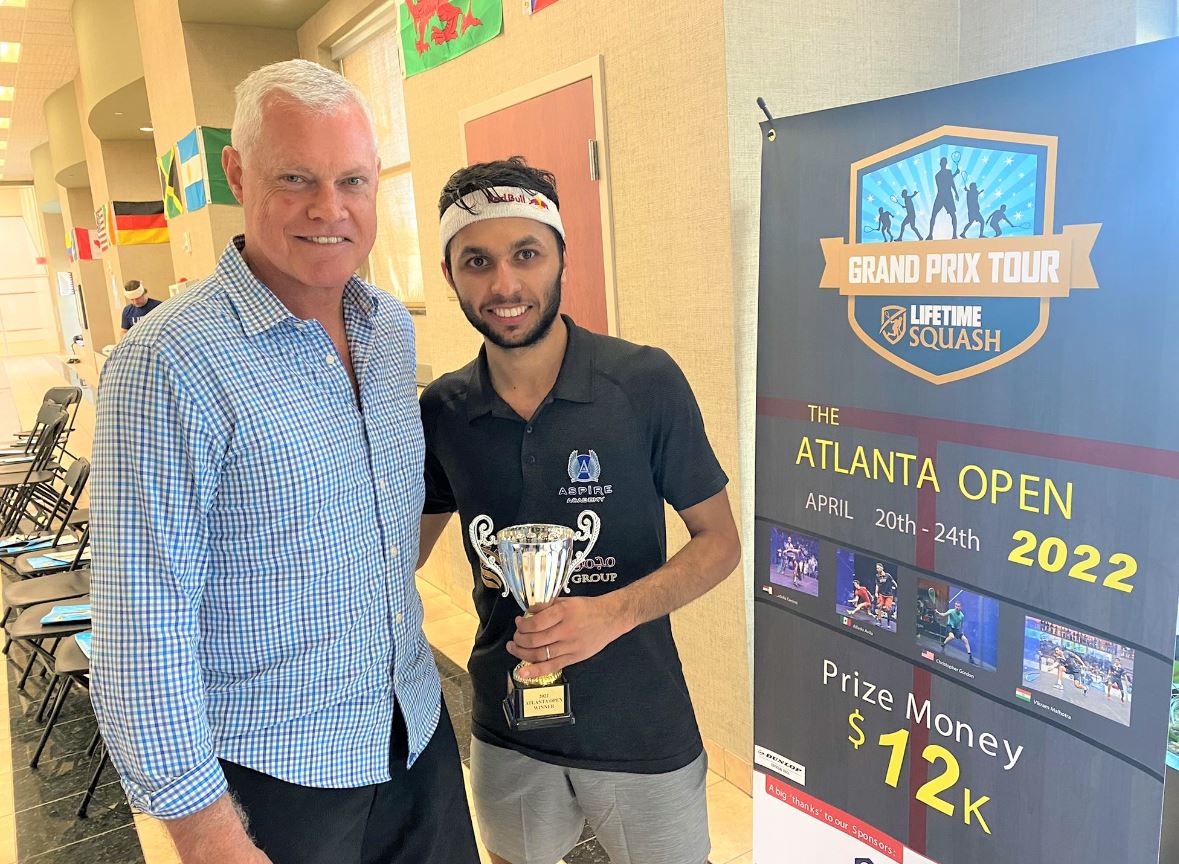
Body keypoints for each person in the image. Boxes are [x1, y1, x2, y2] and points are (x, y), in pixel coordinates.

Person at [90, 59, 477, 864]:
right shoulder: (168, 364)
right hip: (277, 778)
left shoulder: (386, 333)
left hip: (413, 732)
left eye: (353, 181)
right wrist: (206, 835)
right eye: (296, 177)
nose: (329, 209)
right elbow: (139, 631)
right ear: (237, 173)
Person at [417, 157, 741, 864]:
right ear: (449, 275)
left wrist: (611, 614)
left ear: (562, 256)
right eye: (477, 261)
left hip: (640, 723)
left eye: (525, 254)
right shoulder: (443, 410)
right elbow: (393, 552)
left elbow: (719, 542)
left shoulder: (643, 382)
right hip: (508, 723)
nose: (504, 285)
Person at [925, 156, 960, 239]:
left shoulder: (945, 173)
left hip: (945, 195)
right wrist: (955, 174)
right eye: (943, 162)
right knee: (934, 215)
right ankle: (930, 234)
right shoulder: (938, 175)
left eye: (944, 162)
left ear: (945, 163)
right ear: (941, 164)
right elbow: (949, 182)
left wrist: (956, 193)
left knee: (952, 215)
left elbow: (950, 182)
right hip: (943, 196)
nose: (943, 164)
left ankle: (954, 234)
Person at [936, 599, 975, 664]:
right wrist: (938, 612)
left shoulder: (962, 616)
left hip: (956, 629)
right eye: (956, 606)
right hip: (950, 626)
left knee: (965, 640)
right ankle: (943, 644)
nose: (956, 607)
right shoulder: (951, 611)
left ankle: (970, 656)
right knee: (951, 637)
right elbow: (943, 615)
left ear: (961, 607)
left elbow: (961, 625)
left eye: (958, 606)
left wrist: (962, 631)